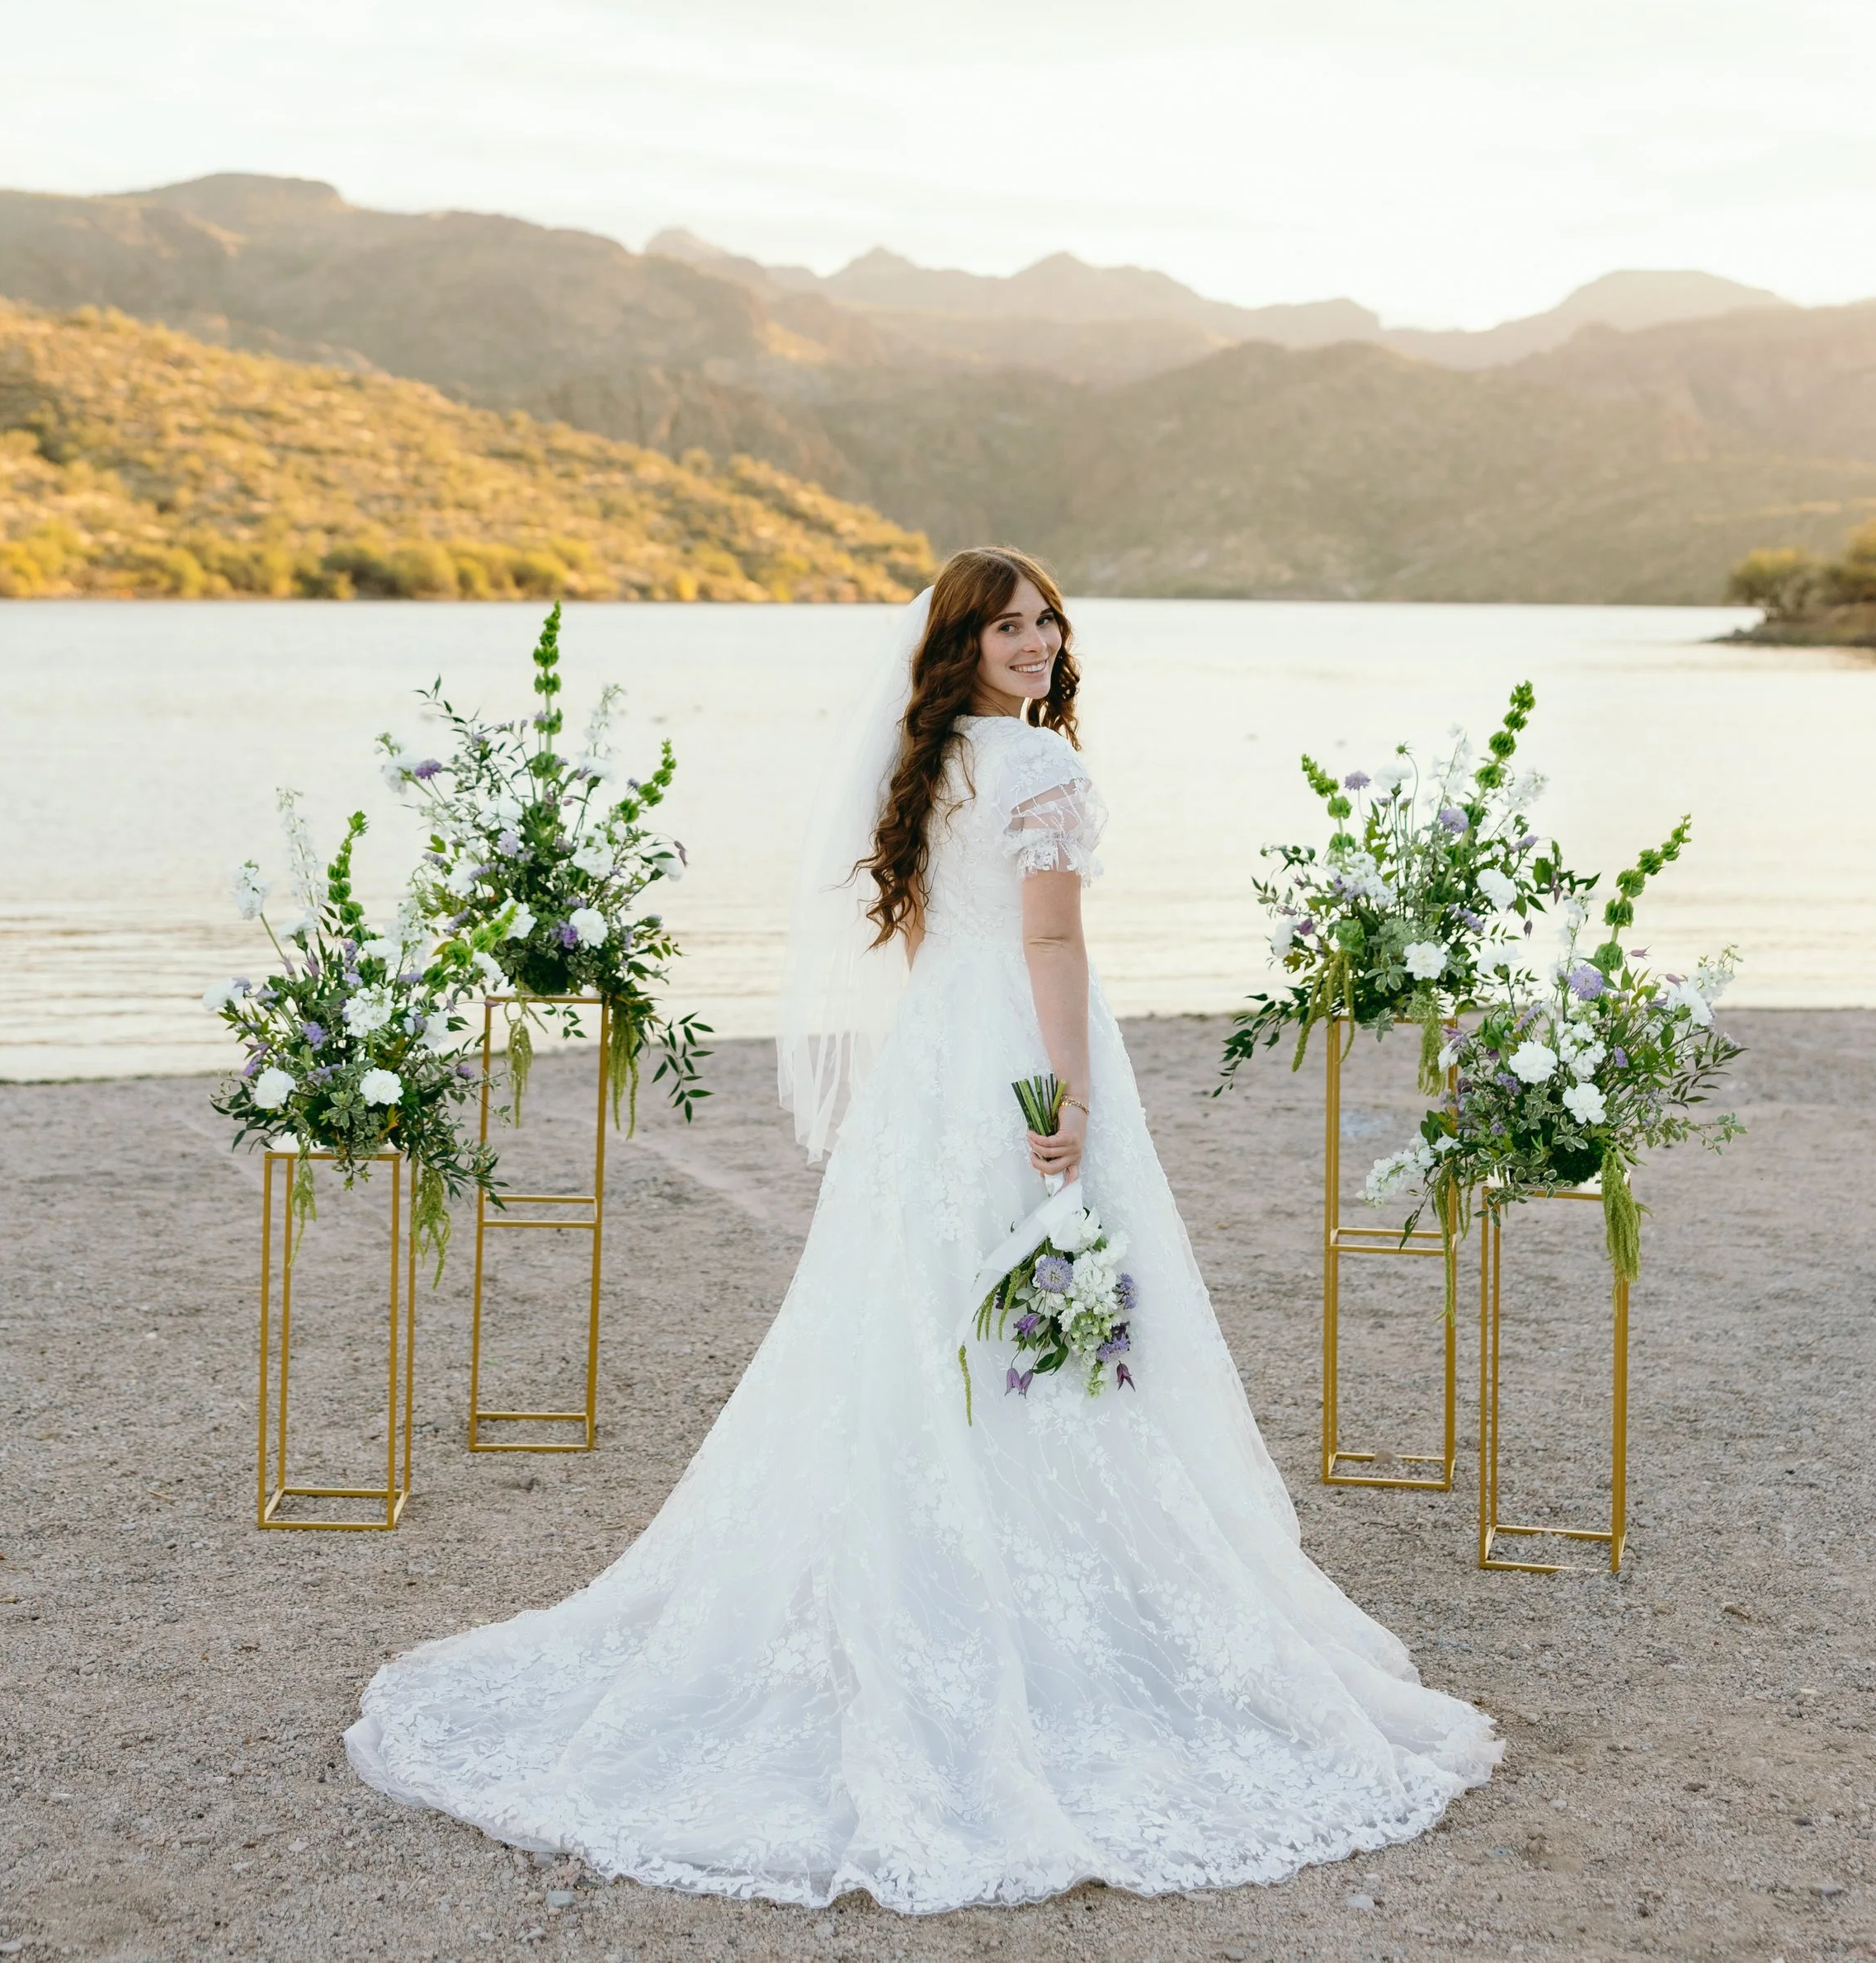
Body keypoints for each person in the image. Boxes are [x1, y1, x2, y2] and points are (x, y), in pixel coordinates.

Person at [345, 548, 1499, 1909]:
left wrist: (970, 1060)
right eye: (1010, 625)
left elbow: (922, 940)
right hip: (1015, 1059)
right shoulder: (1035, 770)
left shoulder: (928, 758)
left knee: (918, 1316)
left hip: (935, 1069)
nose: (1038, 641)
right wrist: (1062, 1095)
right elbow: (1051, 948)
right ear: (964, 641)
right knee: (1041, 1308)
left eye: (1046, 620)